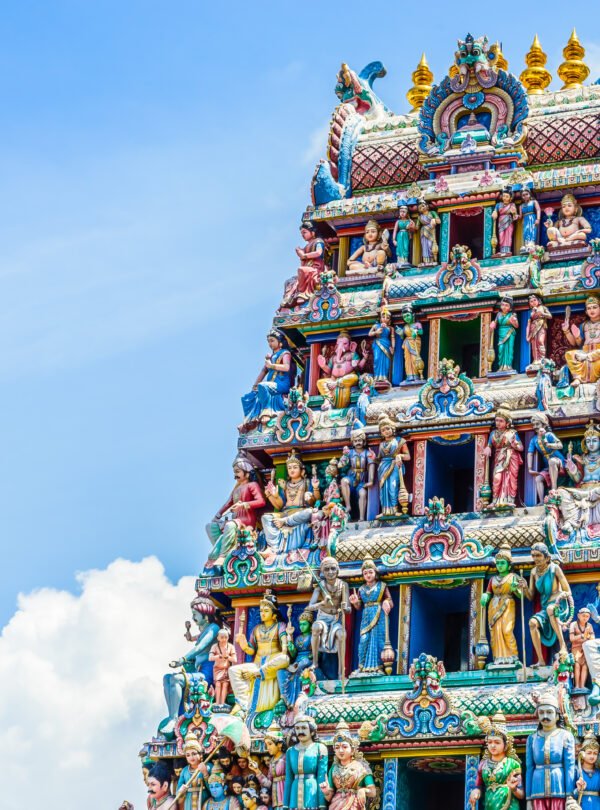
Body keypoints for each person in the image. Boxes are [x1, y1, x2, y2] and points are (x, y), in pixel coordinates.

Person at [229, 590, 289, 716]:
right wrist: (243, 644)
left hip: (271, 665)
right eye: (261, 610)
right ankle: (242, 703)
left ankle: (257, 673)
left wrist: (285, 651)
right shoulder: (257, 629)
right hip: (257, 663)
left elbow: (285, 651)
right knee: (233, 670)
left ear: (274, 614)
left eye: (266, 611)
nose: (262, 613)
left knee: (284, 659)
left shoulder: (280, 626)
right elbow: (251, 650)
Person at [205, 454, 266, 572]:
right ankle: (221, 551)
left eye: (238, 471)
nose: (235, 475)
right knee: (210, 527)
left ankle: (223, 556)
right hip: (235, 520)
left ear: (247, 473)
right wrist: (217, 516)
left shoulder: (252, 485)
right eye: (234, 472)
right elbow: (228, 504)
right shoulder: (236, 489)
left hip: (246, 522)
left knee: (230, 525)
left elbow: (261, 501)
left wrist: (244, 504)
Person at [519, 543, 572, 666]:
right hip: (546, 607)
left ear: (547, 557)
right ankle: (541, 660)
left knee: (550, 609)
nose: (535, 558)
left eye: (538, 555)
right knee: (532, 623)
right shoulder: (533, 572)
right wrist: (525, 587)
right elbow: (531, 596)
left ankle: (562, 645)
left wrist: (560, 597)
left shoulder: (554, 569)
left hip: (559, 605)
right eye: (533, 555)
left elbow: (568, 591)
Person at [525, 690, 576, 810]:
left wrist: (570, 795)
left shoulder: (565, 736)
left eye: (549, 712)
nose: (545, 716)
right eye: (541, 712)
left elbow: (569, 767)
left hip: (559, 789)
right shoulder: (532, 738)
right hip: (537, 790)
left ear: (557, 715)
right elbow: (529, 768)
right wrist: (528, 799)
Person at [469, 714, 523, 810]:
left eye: (497, 742)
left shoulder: (513, 764)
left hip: (509, 806)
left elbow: (521, 794)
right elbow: (478, 786)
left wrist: (513, 788)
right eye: (490, 742)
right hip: (489, 805)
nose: (492, 746)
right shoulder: (483, 764)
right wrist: (476, 792)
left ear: (506, 745)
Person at [241, 330, 293, 428]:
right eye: (268, 341)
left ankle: (267, 411)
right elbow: (263, 371)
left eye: (272, 341)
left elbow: (286, 367)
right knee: (249, 396)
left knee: (263, 386)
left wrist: (271, 365)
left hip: (281, 384)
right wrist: (255, 386)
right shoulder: (272, 356)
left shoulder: (285, 353)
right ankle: (251, 418)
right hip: (271, 385)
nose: (270, 344)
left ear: (280, 342)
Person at [349, 557, 393, 673]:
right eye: (365, 573)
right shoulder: (361, 589)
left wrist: (386, 602)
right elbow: (359, 606)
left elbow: (390, 600)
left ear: (375, 573)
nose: (368, 575)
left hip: (379, 615)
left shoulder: (382, 586)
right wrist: (355, 602)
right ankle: (361, 666)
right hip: (366, 616)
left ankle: (378, 667)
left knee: (379, 639)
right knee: (364, 640)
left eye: (370, 572)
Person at [320, 720, 376, 810]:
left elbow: (373, 792)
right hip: (336, 805)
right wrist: (326, 791)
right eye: (337, 747)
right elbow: (329, 797)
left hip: (354, 804)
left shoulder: (361, 767)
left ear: (352, 750)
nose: (341, 750)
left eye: (345, 747)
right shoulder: (334, 768)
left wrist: (363, 790)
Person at [481, 544, 521, 667]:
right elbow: (489, 592)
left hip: (508, 603)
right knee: (495, 632)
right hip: (494, 606)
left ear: (509, 565)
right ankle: (498, 658)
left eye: (502, 563)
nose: (500, 565)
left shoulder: (513, 577)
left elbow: (521, 595)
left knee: (507, 630)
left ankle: (514, 657)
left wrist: (515, 590)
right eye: (498, 563)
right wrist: (485, 596)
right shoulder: (492, 579)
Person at [282, 715, 328, 810]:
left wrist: (322, 804)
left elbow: (321, 777)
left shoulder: (320, 748)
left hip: (312, 791)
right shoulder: (290, 751)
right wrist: (285, 804)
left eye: (304, 728)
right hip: (294, 793)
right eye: (297, 728)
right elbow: (289, 778)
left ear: (312, 731)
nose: (300, 731)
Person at [483, 407, 523, 508]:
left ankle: (509, 500)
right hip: (499, 458)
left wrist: (515, 445)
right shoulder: (493, 433)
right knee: (497, 478)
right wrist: (488, 447)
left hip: (511, 457)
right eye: (497, 420)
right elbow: (489, 445)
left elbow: (521, 447)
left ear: (507, 423)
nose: (498, 423)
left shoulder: (512, 433)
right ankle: (495, 501)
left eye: (501, 421)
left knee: (511, 479)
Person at [282, 221, 326, 308]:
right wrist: (301, 255)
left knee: (302, 270)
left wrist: (304, 255)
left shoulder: (318, 241)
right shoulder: (306, 247)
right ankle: (289, 298)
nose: (302, 235)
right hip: (308, 268)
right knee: (289, 281)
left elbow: (319, 252)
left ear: (312, 232)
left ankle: (303, 295)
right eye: (301, 233)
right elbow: (303, 264)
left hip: (316, 268)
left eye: (304, 232)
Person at [527, 413, 565, 503]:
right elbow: (530, 453)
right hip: (548, 464)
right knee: (538, 479)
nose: (535, 427)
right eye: (534, 425)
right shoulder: (534, 440)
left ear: (544, 425)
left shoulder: (549, 435)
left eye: (537, 424)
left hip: (558, 460)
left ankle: (554, 490)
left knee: (552, 461)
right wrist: (529, 468)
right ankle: (541, 501)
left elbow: (560, 445)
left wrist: (549, 444)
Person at [376, 415, 410, 516]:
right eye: (383, 430)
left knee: (392, 487)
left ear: (393, 429)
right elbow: (379, 459)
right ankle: (385, 511)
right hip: (383, 468)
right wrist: (373, 457)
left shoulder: (400, 441)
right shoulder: (381, 444)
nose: (386, 431)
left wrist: (399, 455)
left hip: (395, 466)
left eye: (388, 428)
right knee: (383, 489)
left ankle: (395, 510)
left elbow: (408, 456)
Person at [338, 429, 375, 521]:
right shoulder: (350, 453)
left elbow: (371, 466)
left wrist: (371, 481)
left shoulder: (367, 453)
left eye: (360, 440)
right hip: (352, 477)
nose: (358, 443)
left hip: (362, 480)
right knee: (344, 481)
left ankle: (362, 518)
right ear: (353, 442)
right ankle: (348, 506)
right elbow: (340, 465)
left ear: (364, 441)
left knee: (363, 494)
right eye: (355, 441)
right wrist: (344, 456)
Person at [562, 296, 600, 387]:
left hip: (598, 354)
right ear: (586, 311)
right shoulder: (583, 325)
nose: (592, 310)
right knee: (569, 354)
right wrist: (567, 331)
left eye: (594, 307)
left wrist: (587, 356)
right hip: (585, 351)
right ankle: (578, 378)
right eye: (589, 308)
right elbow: (577, 344)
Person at [177, 737, 210, 810]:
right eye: (188, 755)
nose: (191, 757)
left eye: (194, 754)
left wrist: (205, 773)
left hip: (203, 801)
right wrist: (181, 791)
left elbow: (213, 789)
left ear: (200, 754)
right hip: (188, 803)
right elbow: (178, 794)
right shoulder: (184, 771)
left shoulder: (207, 766)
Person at [208, 627, 237, 705]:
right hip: (217, 669)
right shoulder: (214, 646)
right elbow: (210, 658)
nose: (224, 639)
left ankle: (222, 703)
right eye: (222, 637)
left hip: (226, 669)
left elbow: (235, 660)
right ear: (218, 638)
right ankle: (217, 702)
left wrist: (227, 657)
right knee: (218, 685)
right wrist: (219, 656)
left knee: (225, 685)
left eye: (226, 637)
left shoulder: (231, 646)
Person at [490, 297, 519, 372]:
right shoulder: (498, 314)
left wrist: (513, 321)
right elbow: (495, 323)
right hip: (501, 333)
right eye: (502, 305)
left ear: (510, 308)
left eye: (506, 305)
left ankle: (508, 366)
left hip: (509, 333)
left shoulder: (512, 314)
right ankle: (501, 366)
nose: (504, 307)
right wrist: (492, 323)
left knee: (509, 349)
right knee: (501, 349)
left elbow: (516, 326)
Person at [569, 608, 595, 691]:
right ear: (578, 615)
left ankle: (582, 685)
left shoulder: (589, 626)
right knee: (577, 665)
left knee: (585, 666)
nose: (585, 618)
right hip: (576, 648)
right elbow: (571, 639)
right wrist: (582, 635)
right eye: (583, 616)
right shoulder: (573, 625)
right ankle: (576, 686)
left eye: (587, 616)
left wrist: (588, 636)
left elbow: (593, 638)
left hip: (586, 648)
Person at [575, 732, 600, 810]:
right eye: (589, 753)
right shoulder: (576, 771)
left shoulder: (598, 772)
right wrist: (578, 790)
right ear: (582, 753)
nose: (592, 756)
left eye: (595, 753)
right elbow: (570, 794)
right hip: (581, 804)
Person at [526, 294, 552, 370]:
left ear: (538, 301)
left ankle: (542, 359)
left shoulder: (543, 307)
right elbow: (529, 321)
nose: (533, 302)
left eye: (535, 300)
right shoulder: (531, 311)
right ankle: (536, 359)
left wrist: (542, 314)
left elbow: (550, 316)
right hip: (533, 327)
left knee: (540, 341)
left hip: (541, 325)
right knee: (534, 344)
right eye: (531, 301)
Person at [368, 308, 395, 383]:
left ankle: (385, 377)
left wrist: (393, 347)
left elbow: (392, 338)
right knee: (377, 359)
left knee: (386, 362)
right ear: (380, 318)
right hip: (378, 343)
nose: (385, 319)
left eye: (387, 318)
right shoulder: (376, 326)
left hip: (387, 344)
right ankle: (377, 377)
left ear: (389, 320)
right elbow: (369, 334)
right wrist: (376, 332)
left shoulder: (391, 328)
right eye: (383, 317)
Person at [492, 189, 518, 256]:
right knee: (501, 236)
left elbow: (515, 215)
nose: (505, 198)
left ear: (510, 198)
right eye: (504, 196)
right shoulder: (498, 205)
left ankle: (507, 251)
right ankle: (501, 250)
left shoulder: (512, 204)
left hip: (509, 221)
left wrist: (514, 213)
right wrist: (494, 213)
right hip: (501, 221)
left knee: (508, 236)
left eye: (507, 196)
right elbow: (495, 211)